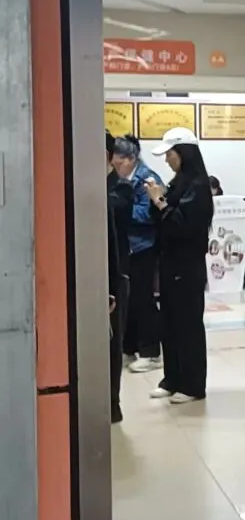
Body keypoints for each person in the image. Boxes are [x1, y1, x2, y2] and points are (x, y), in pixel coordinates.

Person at [146, 128, 213, 405]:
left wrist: (160, 202)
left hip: (187, 265)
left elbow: (183, 225)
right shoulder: (178, 183)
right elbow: (161, 221)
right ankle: (172, 378)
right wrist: (156, 201)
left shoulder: (198, 187)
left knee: (188, 325)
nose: (167, 160)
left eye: (170, 154)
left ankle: (192, 384)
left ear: (183, 153)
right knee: (170, 323)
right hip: (169, 262)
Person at [112, 134, 162, 373]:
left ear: (130, 159)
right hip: (126, 248)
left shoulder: (147, 180)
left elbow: (150, 214)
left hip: (144, 247)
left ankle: (151, 352)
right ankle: (128, 348)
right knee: (127, 300)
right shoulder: (120, 180)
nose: (115, 168)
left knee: (143, 300)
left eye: (118, 163)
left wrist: (123, 210)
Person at [106, 132, 135, 424]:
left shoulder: (121, 189)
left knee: (113, 344)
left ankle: (112, 404)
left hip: (117, 275)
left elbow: (113, 209)